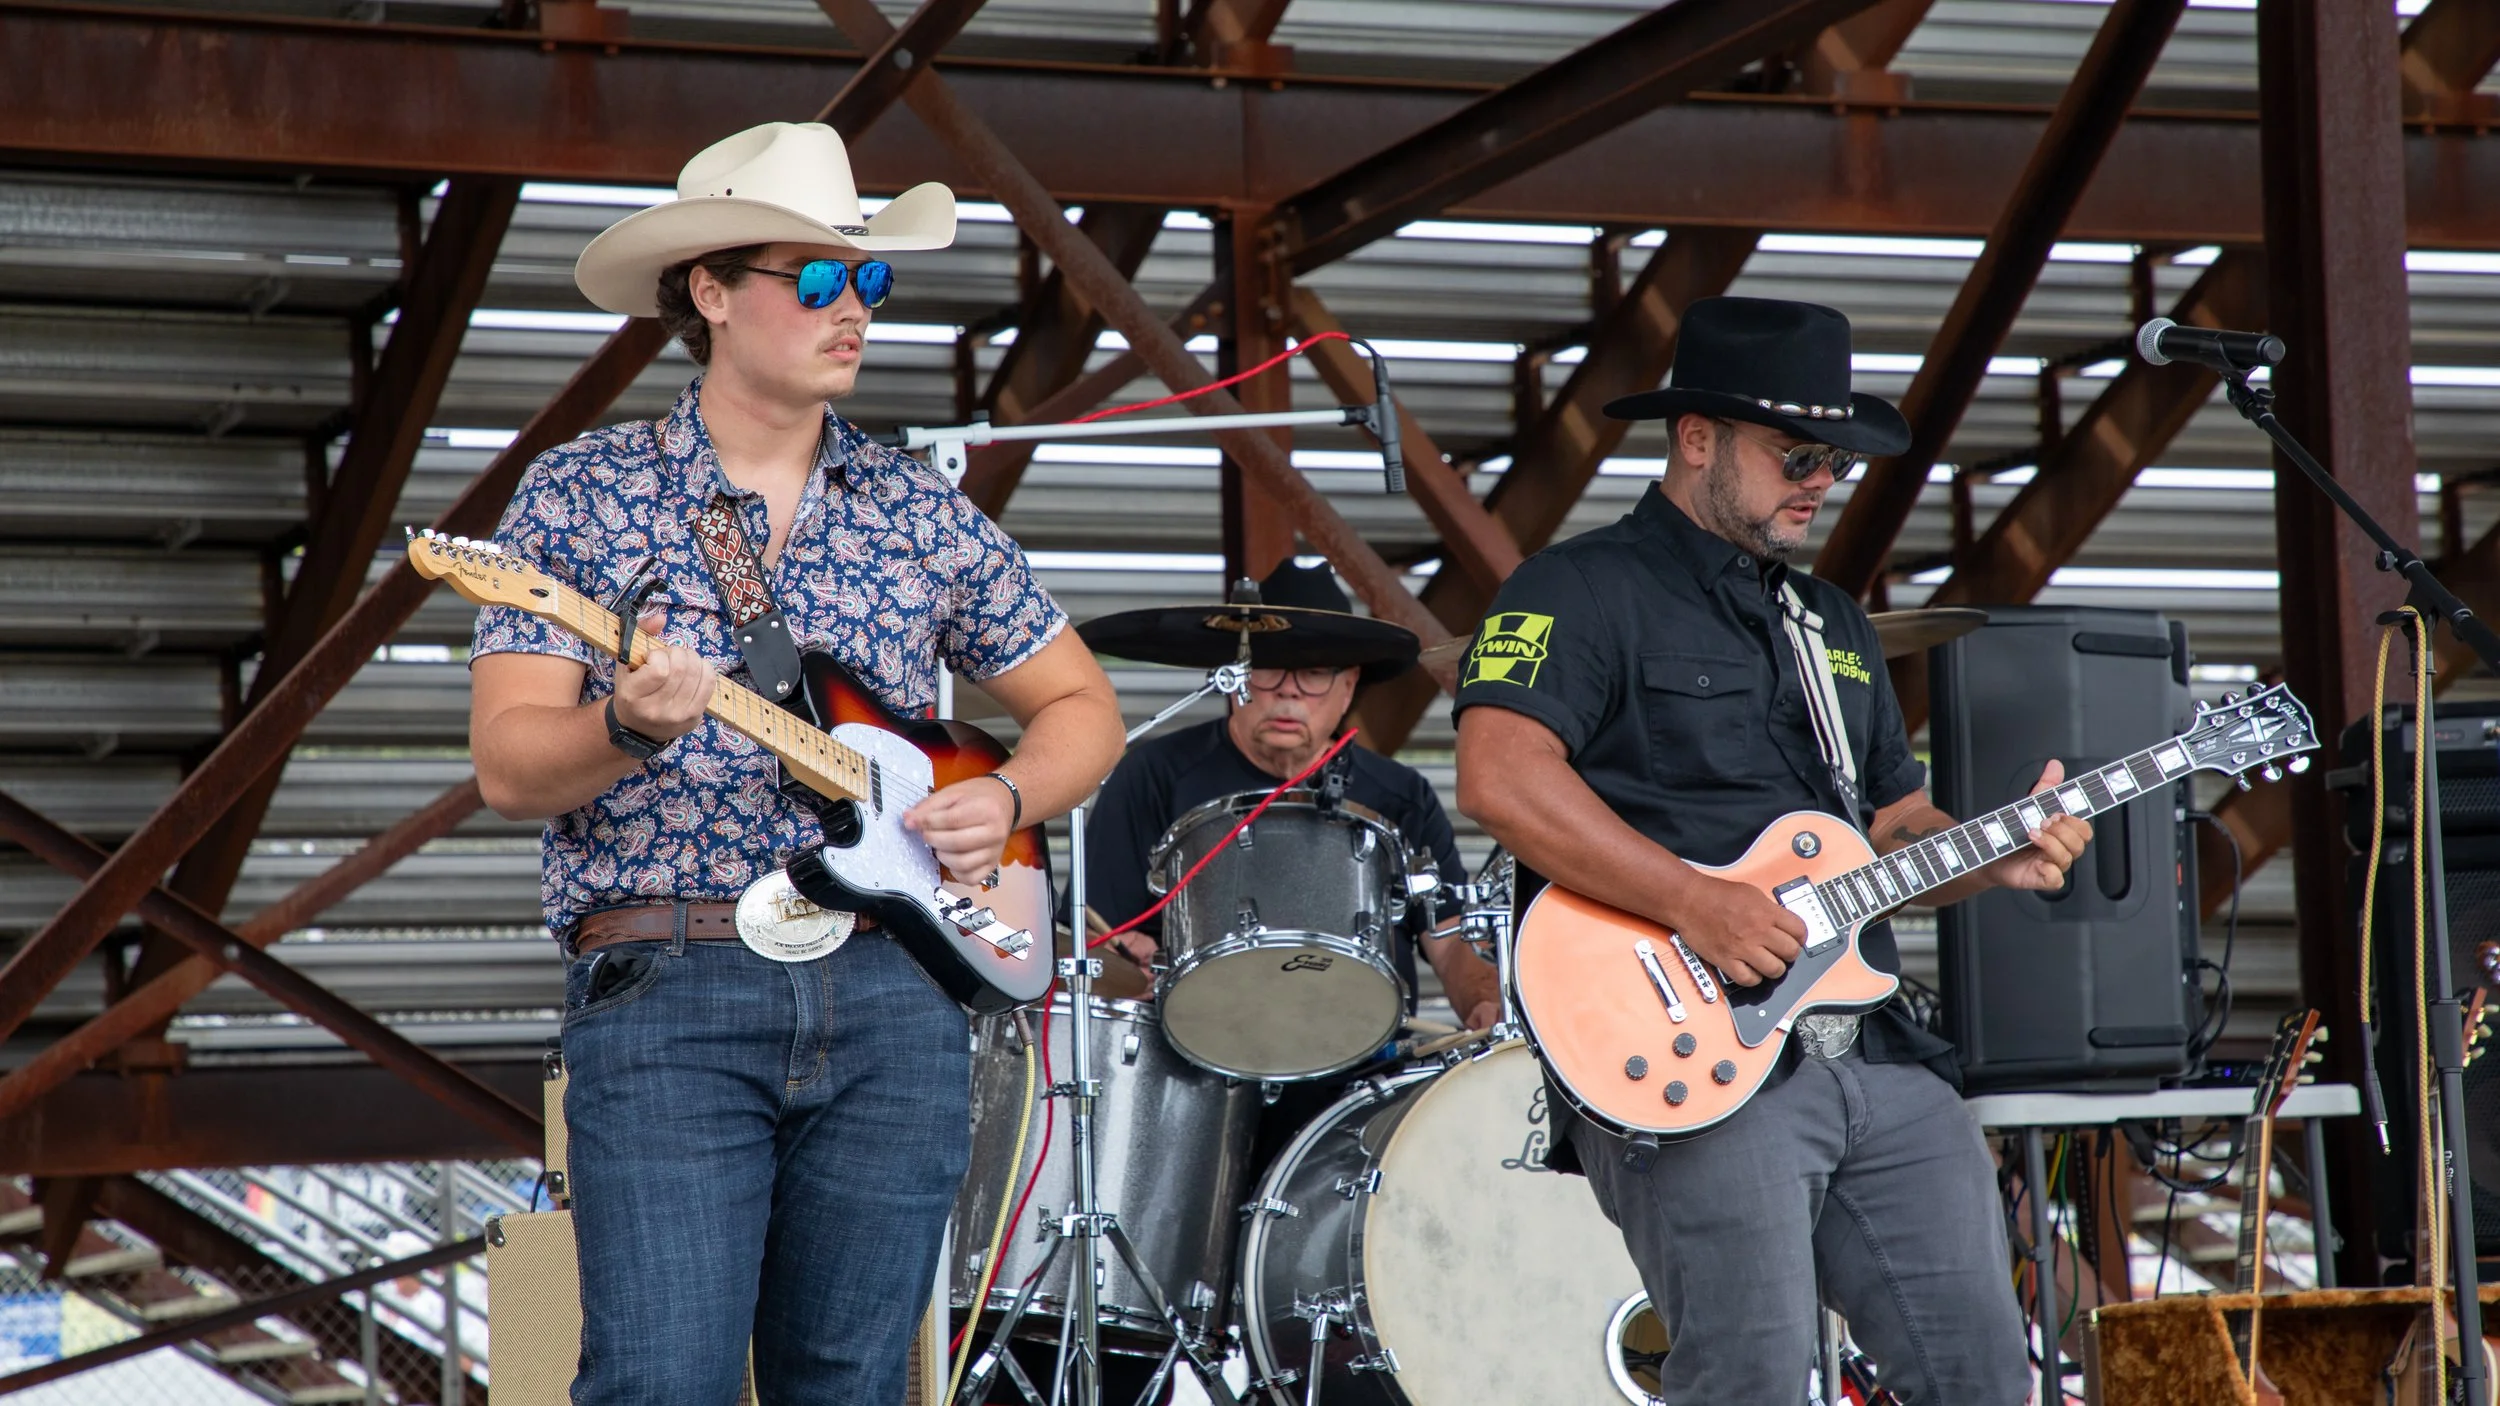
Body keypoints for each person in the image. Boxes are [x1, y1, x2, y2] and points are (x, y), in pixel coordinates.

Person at [465, 122, 1125, 1406]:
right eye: (818, 277)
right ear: (710, 291)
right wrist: (627, 726)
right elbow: (507, 765)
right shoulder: (581, 492)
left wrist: (1003, 794)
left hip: (893, 995)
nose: (853, 308)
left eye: (868, 278)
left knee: (857, 1384)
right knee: (660, 1381)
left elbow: (1081, 704)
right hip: (670, 982)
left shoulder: (915, 507)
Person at [1453, 296, 2090, 1404]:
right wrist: (1694, 901)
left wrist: (1991, 853)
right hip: (1696, 1050)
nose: (1820, 481)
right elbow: (1499, 778)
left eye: (1835, 461)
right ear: (1697, 436)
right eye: (1796, 455)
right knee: (1749, 1375)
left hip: (1876, 1052)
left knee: (1985, 1369)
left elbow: (1889, 823)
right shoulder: (1577, 588)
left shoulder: (1831, 623)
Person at [1084, 559, 1503, 1031]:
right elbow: (1092, 935)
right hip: (1193, 1050)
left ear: (1348, 687)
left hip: (1368, 1056)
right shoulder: (1153, 775)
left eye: (1315, 672)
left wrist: (1482, 1000)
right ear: (1236, 676)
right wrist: (1120, 960)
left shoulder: (1403, 795)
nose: (1289, 692)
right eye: (1270, 669)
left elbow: (1450, 938)